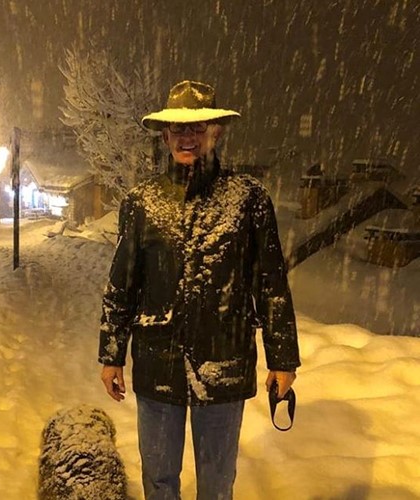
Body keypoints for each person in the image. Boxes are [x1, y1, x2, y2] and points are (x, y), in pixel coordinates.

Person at [98, 80, 300, 500]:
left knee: (216, 485)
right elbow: (123, 282)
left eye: (198, 127)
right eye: (178, 129)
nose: (187, 137)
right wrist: (111, 353)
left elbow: (271, 285)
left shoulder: (247, 199)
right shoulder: (142, 201)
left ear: (216, 132)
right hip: (157, 365)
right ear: (165, 135)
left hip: (223, 364)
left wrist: (283, 358)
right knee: (159, 483)